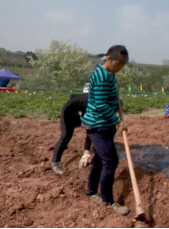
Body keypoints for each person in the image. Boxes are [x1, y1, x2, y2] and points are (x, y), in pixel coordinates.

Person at [81, 45, 130, 216]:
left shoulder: (108, 73)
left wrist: (116, 101)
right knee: (111, 161)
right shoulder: (102, 76)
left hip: (104, 123)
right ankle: (107, 200)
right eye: (118, 63)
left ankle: (92, 192)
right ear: (109, 58)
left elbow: (107, 98)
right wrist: (118, 121)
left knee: (100, 160)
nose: (119, 67)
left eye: (122, 65)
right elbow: (100, 105)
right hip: (98, 124)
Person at [51, 93, 93, 176]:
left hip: (79, 111)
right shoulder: (91, 104)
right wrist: (87, 152)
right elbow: (89, 129)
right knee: (66, 135)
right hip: (68, 113)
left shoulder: (102, 99)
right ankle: (55, 163)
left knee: (92, 127)